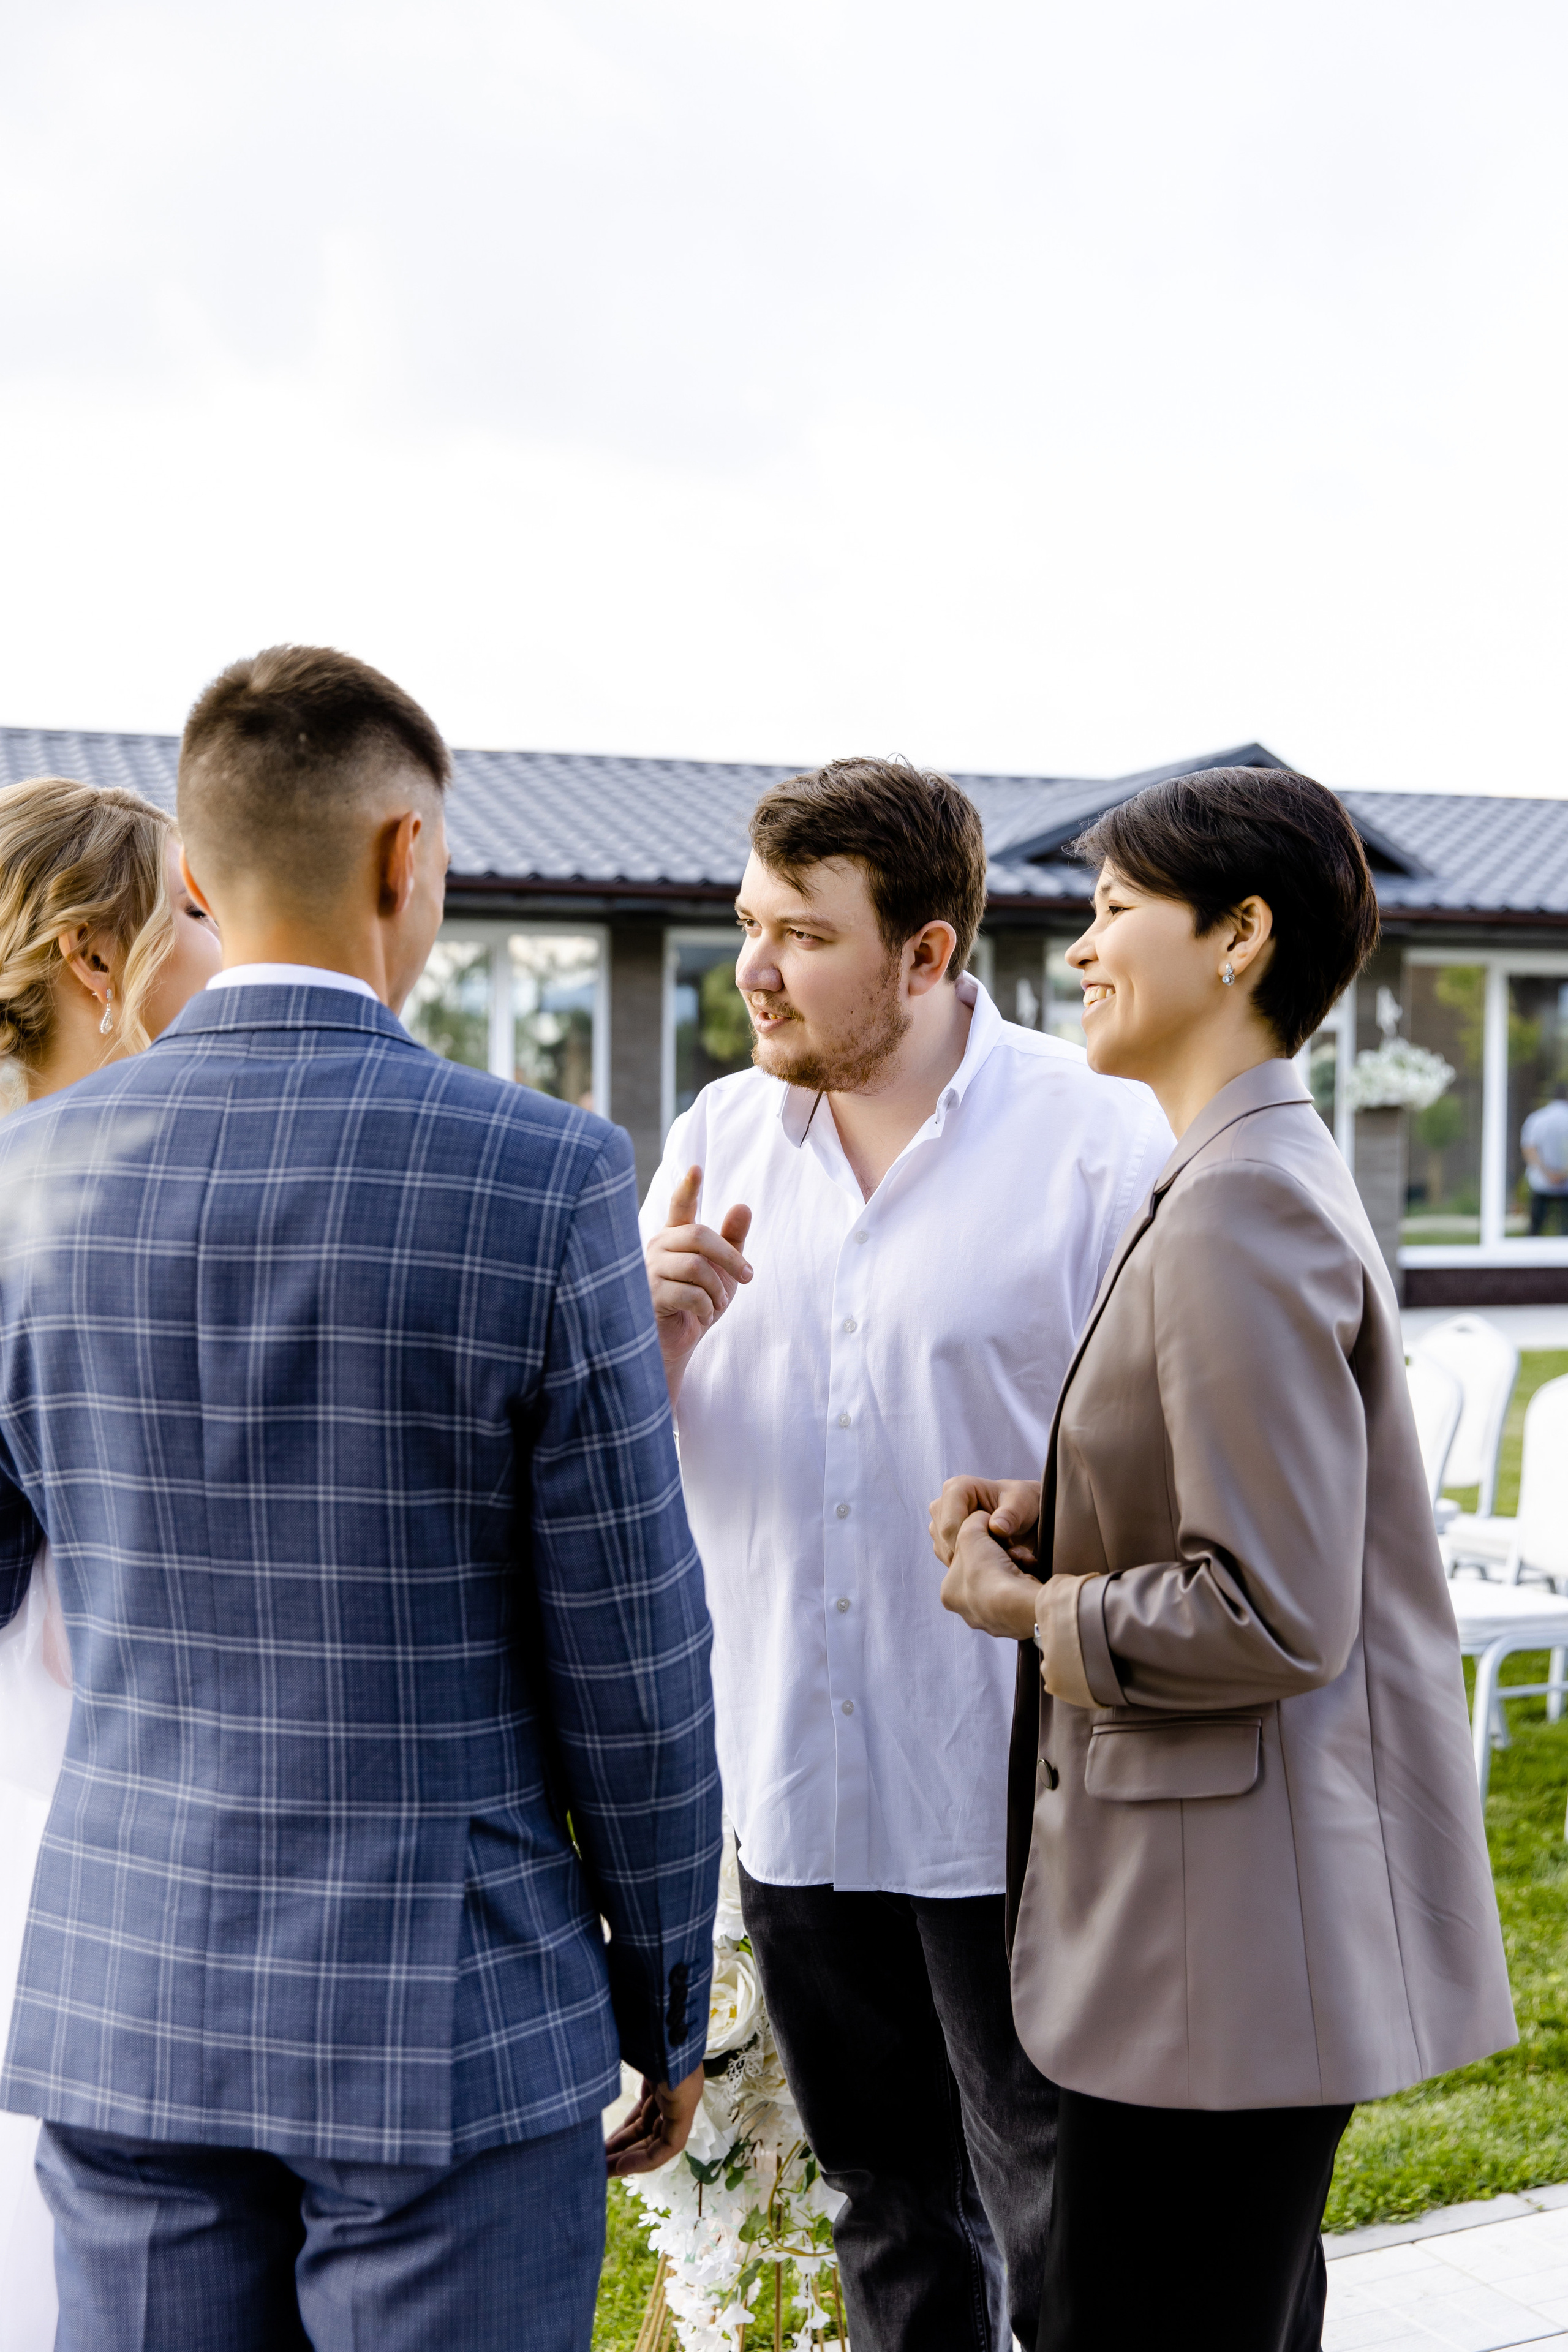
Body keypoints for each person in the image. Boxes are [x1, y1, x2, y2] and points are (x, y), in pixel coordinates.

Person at [0, 646, 722, 2352]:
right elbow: (632, 1649)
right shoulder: (543, 1175)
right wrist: (667, 1994)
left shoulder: (21, 1182)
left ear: (193, 870)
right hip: (450, 2022)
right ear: (407, 858)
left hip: (133, 1999)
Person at [932, 765, 1517, 2352]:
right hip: (1229, 1959)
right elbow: (1270, 1514)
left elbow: (1267, 1612)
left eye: (1115, 909)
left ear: (1240, 936)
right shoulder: (1244, 1175)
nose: (1078, 950)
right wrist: (1074, 1508)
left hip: (1211, 1966)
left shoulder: (1238, 1204)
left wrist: (1023, 1603)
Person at [640, 758, 1172, 2352]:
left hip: (1012, 1786)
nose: (752, 964)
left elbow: (1165, 1454)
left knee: (1062, 2215)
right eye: (750, 923)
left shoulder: (1098, 1140)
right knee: (888, 2215)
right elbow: (641, 1477)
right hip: (794, 1784)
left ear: (928, 954)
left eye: (803, 933)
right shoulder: (715, 1137)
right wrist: (643, 1346)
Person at [0, 775, 224, 2352]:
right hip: (61, 1799)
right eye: (196, 913)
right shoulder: (53, 1212)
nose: (229, 945)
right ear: (96, 959)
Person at [1522, 1081, 1568, 1235]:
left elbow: (1529, 1149)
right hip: (1565, 1182)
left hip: (1542, 1182)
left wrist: (1548, 1173)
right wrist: (1563, 1174)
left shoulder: (1538, 1118)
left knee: (1535, 1229)